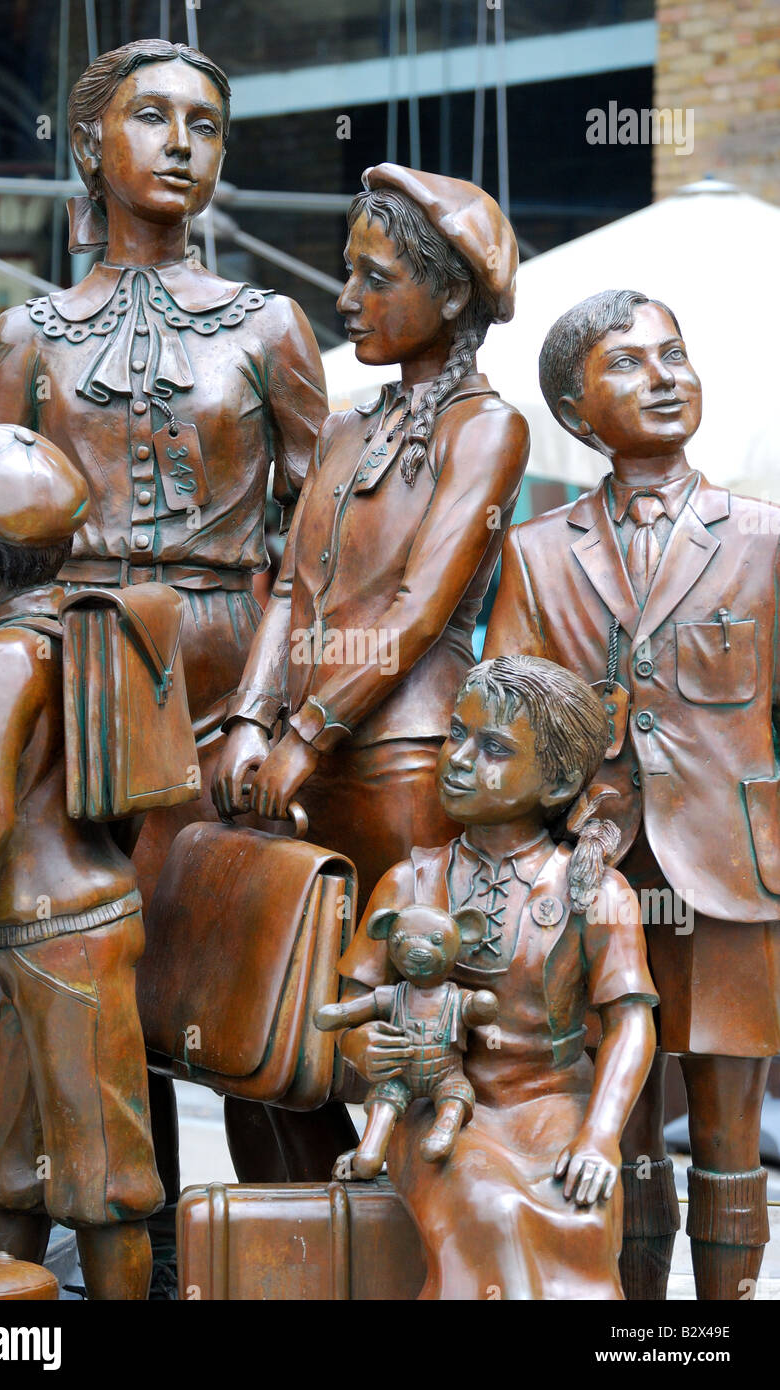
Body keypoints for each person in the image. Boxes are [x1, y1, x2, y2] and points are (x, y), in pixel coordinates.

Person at [0, 38, 327, 899]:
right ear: (90, 147)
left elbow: (320, 542)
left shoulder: (271, 326)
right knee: (52, 920)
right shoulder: (28, 335)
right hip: (60, 662)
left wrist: (268, 708)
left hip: (220, 665)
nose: (181, 143)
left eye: (204, 127)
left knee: (207, 932)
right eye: (151, 116)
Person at [213, 162, 528, 1179]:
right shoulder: (346, 428)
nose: (344, 299)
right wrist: (254, 720)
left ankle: (406, 1254)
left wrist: (308, 731)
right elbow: (291, 591)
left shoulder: (486, 429)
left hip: (403, 768)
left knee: (399, 1036)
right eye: (344, 273)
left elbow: (417, 609)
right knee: (277, 1027)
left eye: (374, 275)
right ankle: (297, 1249)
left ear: (448, 294)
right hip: (299, 770)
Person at [482, 289, 780, 1300]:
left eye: (675, 354)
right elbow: (510, 721)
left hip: (733, 875)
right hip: (594, 877)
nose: (663, 377)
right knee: (624, 1124)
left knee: (732, 1129)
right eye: (628, 363)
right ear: (574, 411)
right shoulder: (534, 552)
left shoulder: (764, 538)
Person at [0, 424, 164, 1299]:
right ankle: (1, 1324)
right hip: (53, 934)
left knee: (103, 1174)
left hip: (58, 940)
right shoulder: (68, 630)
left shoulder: (4, 655)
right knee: (17, 1162)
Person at [336, 655, 657, 1300]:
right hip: (441, 1107)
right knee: (491, 1211)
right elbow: (354, 1009)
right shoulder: (411, 883)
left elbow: (631, 1024)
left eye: (494, 749)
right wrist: (364, 1047)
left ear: (560, 779)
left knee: (582, 1220)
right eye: (456, 733)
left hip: (554, 1108)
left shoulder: (596, 892)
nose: (457, 758)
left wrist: (599, 1137)